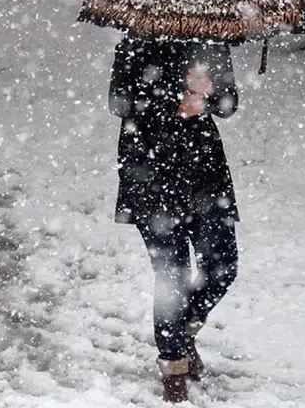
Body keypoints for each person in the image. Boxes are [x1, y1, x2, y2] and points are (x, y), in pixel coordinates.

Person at [108, 35, 240, 403]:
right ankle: (173, 368)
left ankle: (181, 334)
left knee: (223, 265)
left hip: (205, 175)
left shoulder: (211, 40)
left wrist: (209, 94)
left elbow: (229, 105)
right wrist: (178, 96)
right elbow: (119, 102)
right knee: (172, 276)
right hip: (150, 173)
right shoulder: (135, 43)